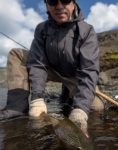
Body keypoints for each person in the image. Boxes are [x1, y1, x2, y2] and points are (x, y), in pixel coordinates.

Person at [0, 0, 104, 137]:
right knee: (16, 54)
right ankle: (17, 106)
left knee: (96, 108)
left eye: (65, 0)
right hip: (50, 70)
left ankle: (68, 94)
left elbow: (89, 70)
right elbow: (37, 63)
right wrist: (37, 97)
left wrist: (80, 109)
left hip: (74, 76)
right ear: (47, 6)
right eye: (53, 1)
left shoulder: (87, 31)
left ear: (74, 4)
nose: (59, 6)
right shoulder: (41, 29)